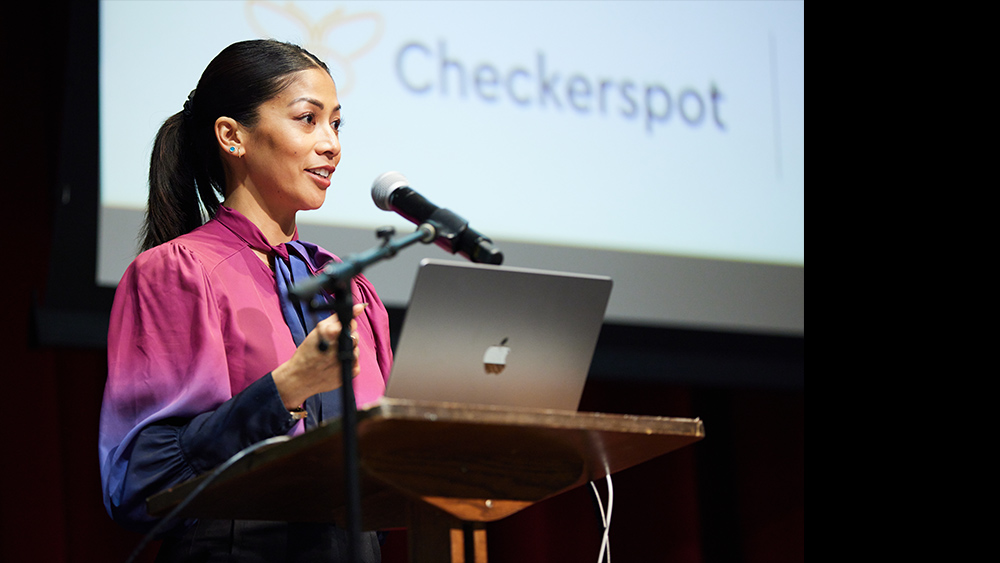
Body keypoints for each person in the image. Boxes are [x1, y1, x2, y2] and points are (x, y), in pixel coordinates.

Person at [98, 39, 393, 562]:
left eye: (336, 124)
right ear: (233, 137)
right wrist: (286, 389)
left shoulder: (346, 287)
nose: (331, 144)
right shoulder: (177, 273)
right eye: (308, 119)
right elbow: (139, 483)